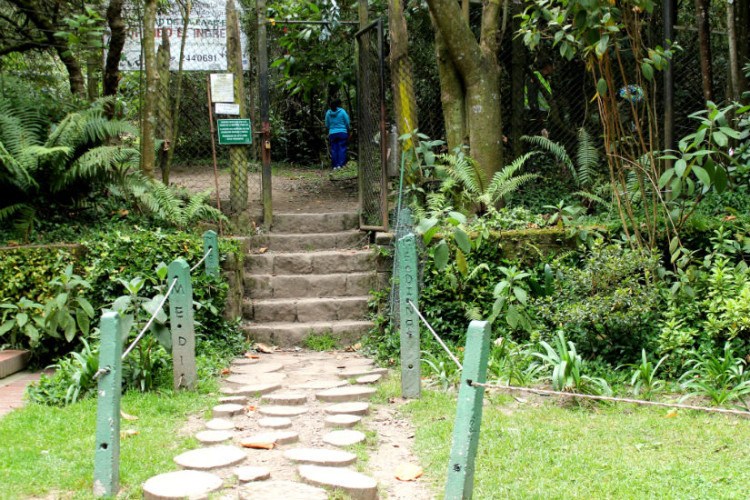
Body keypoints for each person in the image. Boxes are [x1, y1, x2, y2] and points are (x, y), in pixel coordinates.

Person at [325, 99, 350, 171]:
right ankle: (340, 165)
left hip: (332, 133)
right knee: (342, 149)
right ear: (338, 104)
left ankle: (335, 166)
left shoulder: (328, 113)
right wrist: (347, 129)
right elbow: (347, 122)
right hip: (342, 133)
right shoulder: (342, 112)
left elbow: (327, 124)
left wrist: (332, 128)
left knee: (334, 149)